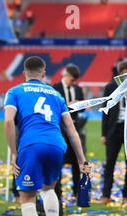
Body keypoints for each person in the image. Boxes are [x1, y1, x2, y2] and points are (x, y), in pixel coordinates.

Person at [4, 56, 90, 216]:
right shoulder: (56, 94)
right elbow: (72, 130)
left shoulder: (15, 91)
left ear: (24, 73)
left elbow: (7, 121)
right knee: (49, 188)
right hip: (56, 144)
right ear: (43, 74)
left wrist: (14, 153)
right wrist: (82, 160)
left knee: (27, 198)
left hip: (31, 144)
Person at [99, 60, 127, 204]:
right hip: (114, 129)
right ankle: (106, 195)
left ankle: (126, 196)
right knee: (110, 163)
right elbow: (105, 111)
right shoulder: (110, 86)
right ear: (123, 71)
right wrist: (104, 133)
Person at [53, 64, 86, 199]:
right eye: (72, 80)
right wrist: (68, 106)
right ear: (65, 75)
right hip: (60, 130)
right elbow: (54, 108)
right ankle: (57, 190)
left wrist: (79, 105)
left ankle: (76, 190)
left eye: (75, 80)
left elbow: (83, 108)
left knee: (76, 160)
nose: (74, 83)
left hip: (75, 130)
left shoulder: (78, 89)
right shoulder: (55, 88)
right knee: (58, 160)